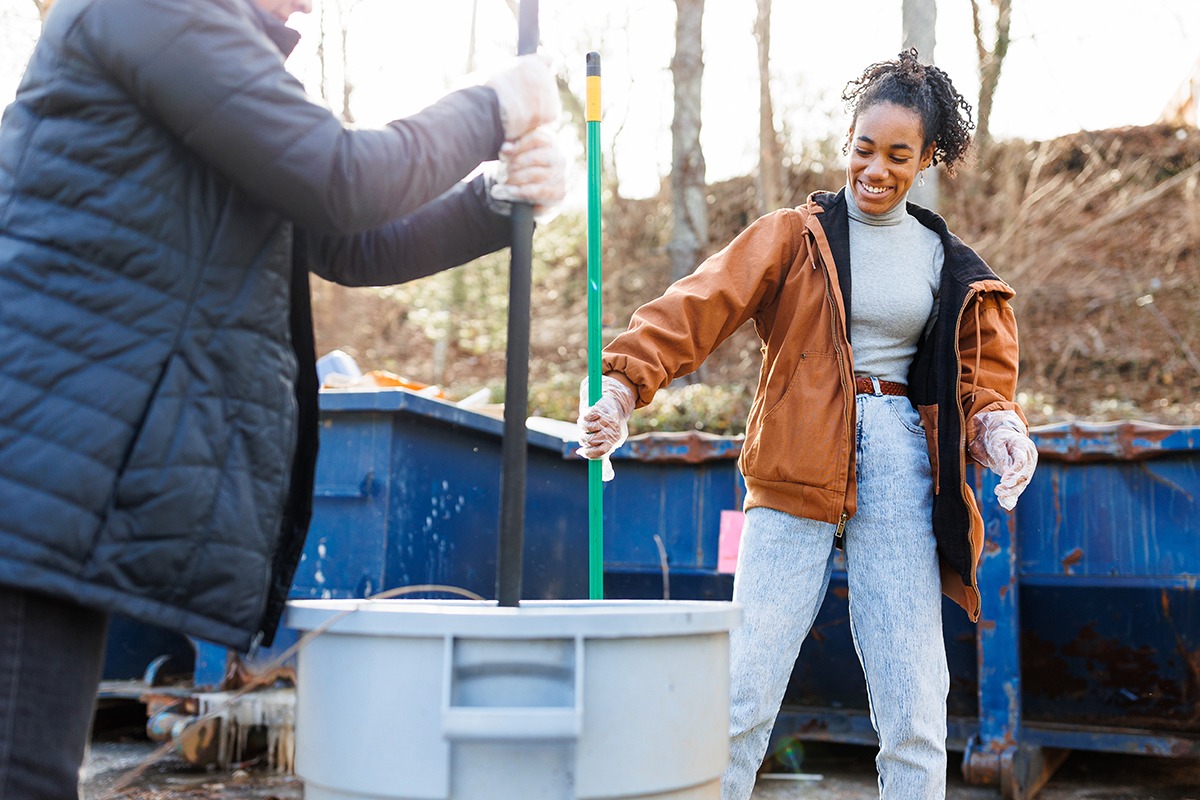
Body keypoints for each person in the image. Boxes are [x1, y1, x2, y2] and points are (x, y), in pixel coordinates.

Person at [0, 0, 566, 796]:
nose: (310, 5)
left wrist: (497, 203)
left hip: (64, 463)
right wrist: (492, 105)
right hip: (35, 458)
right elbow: (341, 180)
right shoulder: (154, 9)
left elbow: (346, 240)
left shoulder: (203, 48)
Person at [578, 49, 1038, 800]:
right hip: (796, 457)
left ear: (927, 159)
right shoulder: (794, 236)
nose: (876, 169)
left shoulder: (947, 262)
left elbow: (981, 386)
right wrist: (623, 388)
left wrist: (1001, 432)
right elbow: (697, 308)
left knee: (915, 703)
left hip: (902, 466)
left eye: (899, 155)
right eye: (864, 148)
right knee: (742, 690)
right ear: (846, 142)